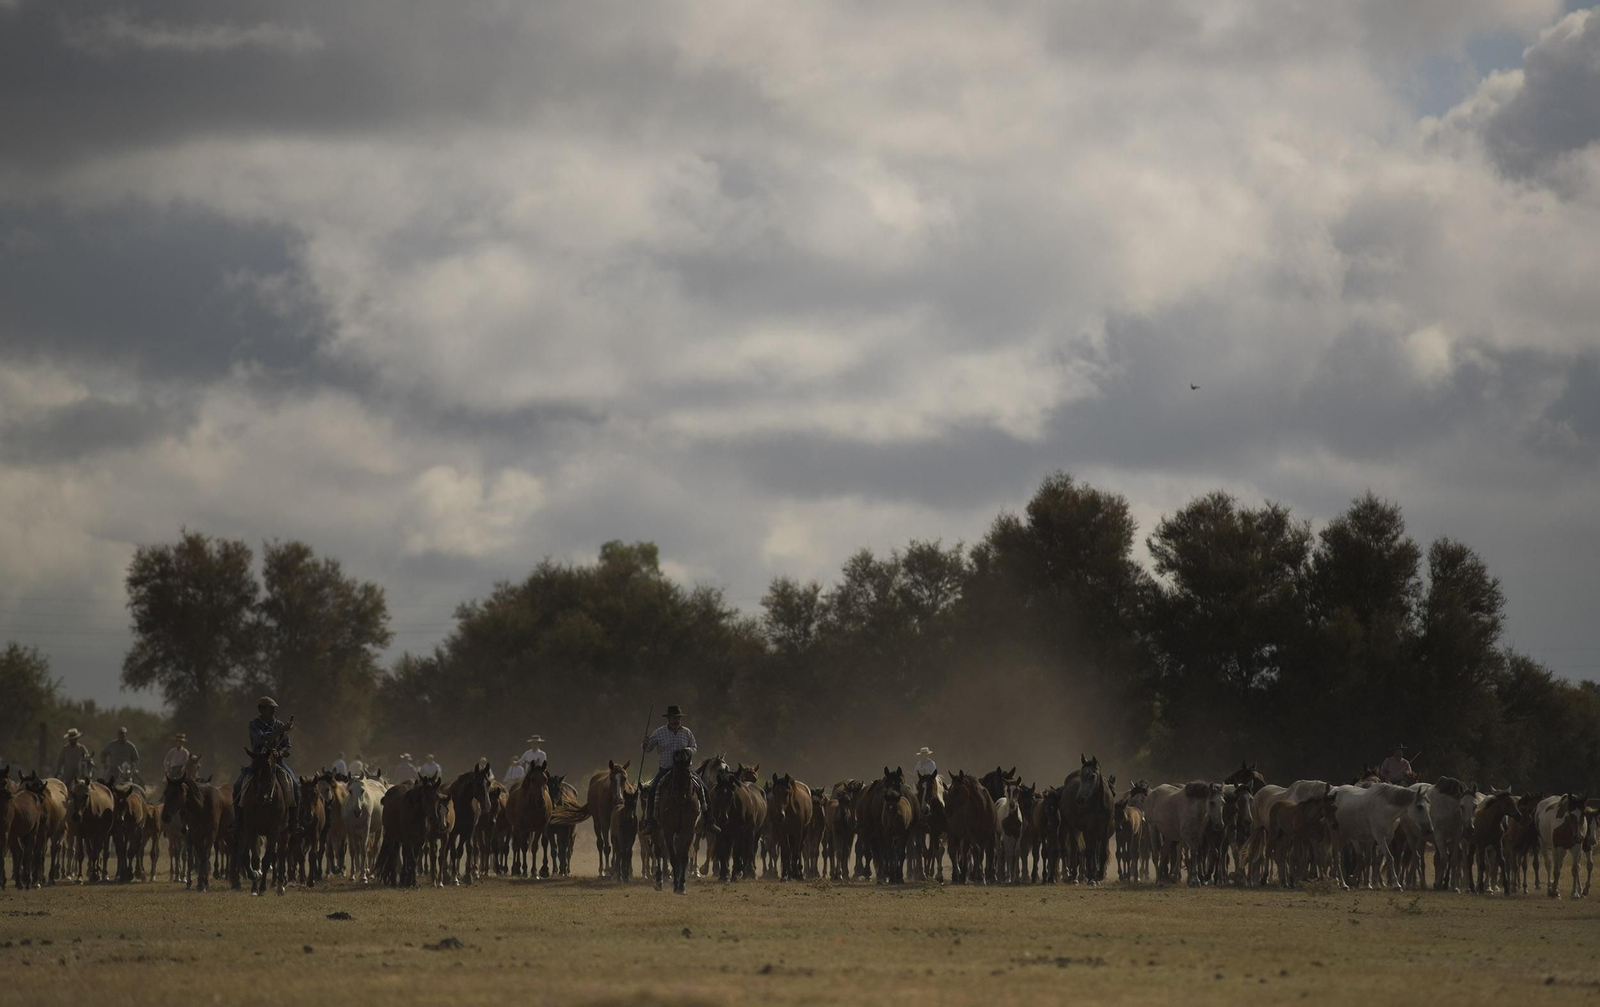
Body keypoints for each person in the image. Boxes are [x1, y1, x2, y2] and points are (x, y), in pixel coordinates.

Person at [232, 697, 299, 832]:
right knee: (238, 785)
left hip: (278, 762)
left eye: (274, 708)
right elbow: (263, 738)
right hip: (258, 761)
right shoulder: (254, 724)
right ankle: (238, 822)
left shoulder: (279, 724)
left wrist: (279, 753)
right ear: (261, 709)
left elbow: (288, 746)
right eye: (271, 708)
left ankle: (293, 822)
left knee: (295, 784)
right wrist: (282, 730)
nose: (273, 711)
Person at [640, 705, 701, 830]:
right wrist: (644, 743)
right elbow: (648, 748)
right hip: (665, 769)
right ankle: (650, 821)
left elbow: (694, 747)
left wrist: (686, 750)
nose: (676, 720)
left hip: (685, 769)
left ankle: (708, 819)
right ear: (668, 718)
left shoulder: (687, 732)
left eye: (678, 717)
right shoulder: (659, 732)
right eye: (674, 718)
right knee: (652, 791)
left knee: (703, 787)